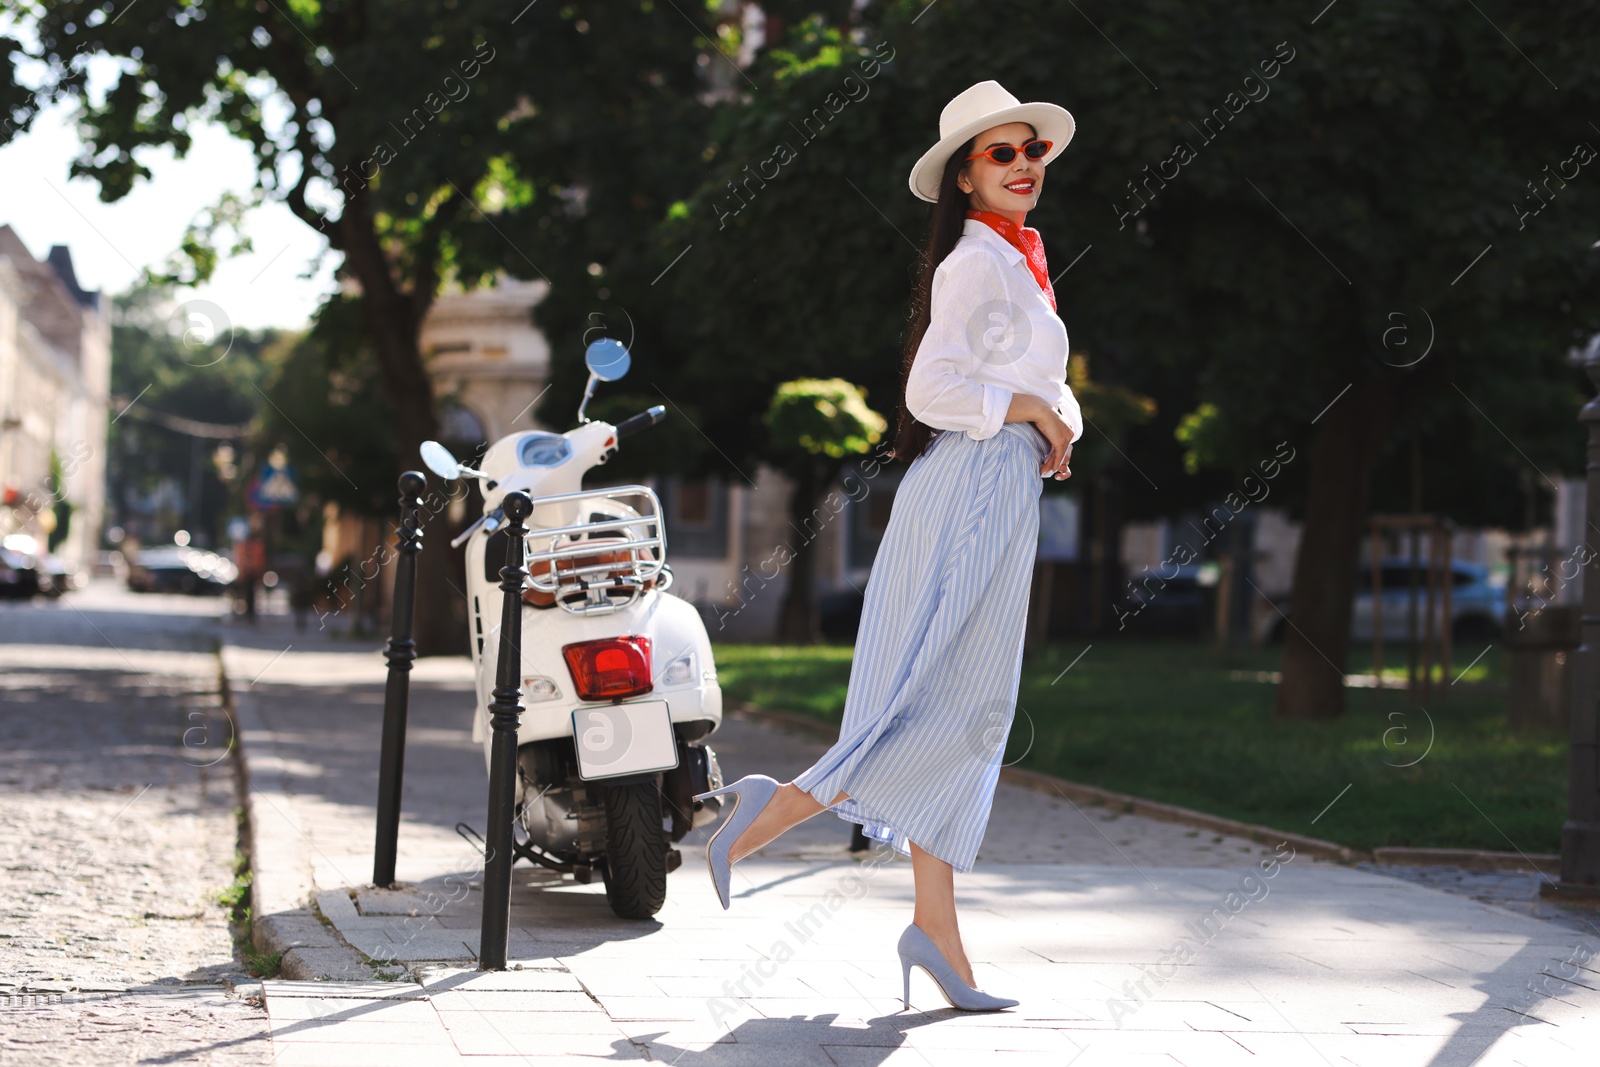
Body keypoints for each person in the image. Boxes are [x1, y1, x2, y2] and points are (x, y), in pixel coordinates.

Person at [694, 80, 1083, 1012]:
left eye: (1032, 150)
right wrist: (1030, 410)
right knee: (944, 695)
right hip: (972, 487)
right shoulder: (973, 264)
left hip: (997, 482)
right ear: (965, 174)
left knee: (966, 703)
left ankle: (933, 928)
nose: (1025, 164)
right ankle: (777, 808)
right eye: (1003, 153)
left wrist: (1054, 418)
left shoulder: (1018, 262)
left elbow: (1026, 381)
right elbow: (931, 393)